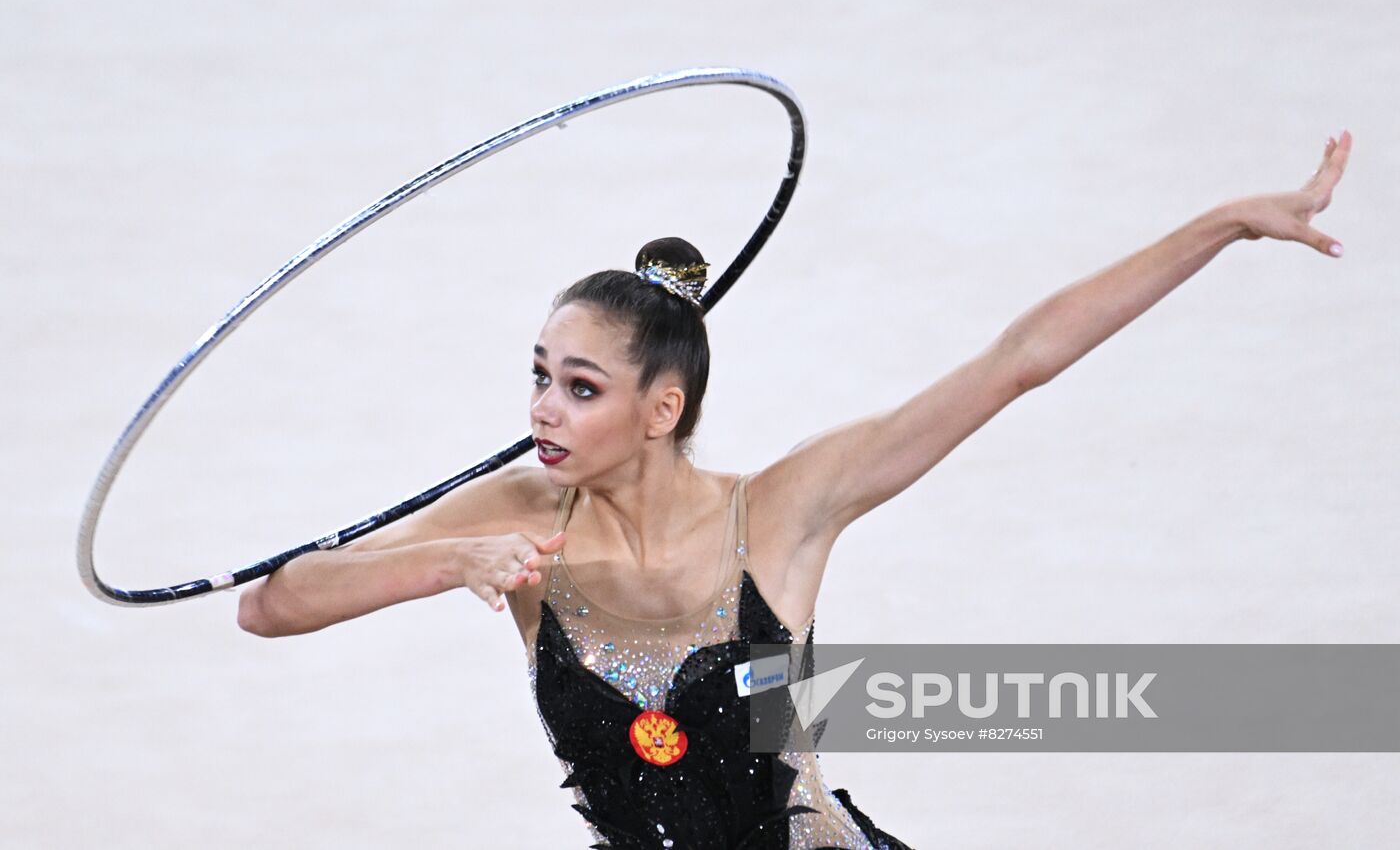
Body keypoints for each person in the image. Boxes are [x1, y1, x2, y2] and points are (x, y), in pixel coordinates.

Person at [235, 131, 1352, 848]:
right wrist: (446, 561)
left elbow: (1015, 360)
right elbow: (272, 603)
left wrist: (1223, 226)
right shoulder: (516, 520)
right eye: (537, 377)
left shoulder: (778, 511)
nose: (539, 412)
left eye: (578, 389)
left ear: (659, 409)